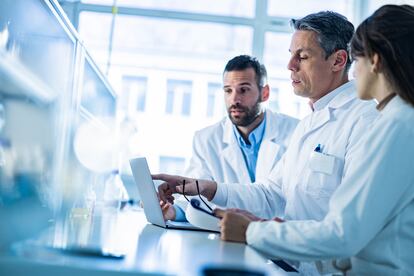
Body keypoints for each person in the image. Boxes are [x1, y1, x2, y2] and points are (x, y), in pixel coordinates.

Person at [213, 4, 414, 274]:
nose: (355, 72)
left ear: (374, 61)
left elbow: (343, 234)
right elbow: (278, 193)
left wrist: (255, 232)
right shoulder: (391, 120)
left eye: (358, 59)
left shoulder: (392, 125)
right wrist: (267, 229)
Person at [155, 11, 378, 223]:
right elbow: (271, 194)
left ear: (338, 61)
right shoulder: (310, 123)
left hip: (326, 262)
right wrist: (205, 187)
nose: (290, 66)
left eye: (302, 56)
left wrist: (257, 231)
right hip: (295, 259)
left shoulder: (365, 120)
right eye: (291, 55)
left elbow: (353, 222)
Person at [163, 55, 299, 221]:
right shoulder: (206, 140)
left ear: (265, 93)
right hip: (227, 237)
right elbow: (195, 201)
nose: (234, 99)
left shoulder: (296, 133)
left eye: (243, 90)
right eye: (228, 90)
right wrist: (172, 212)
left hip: (276, 238)